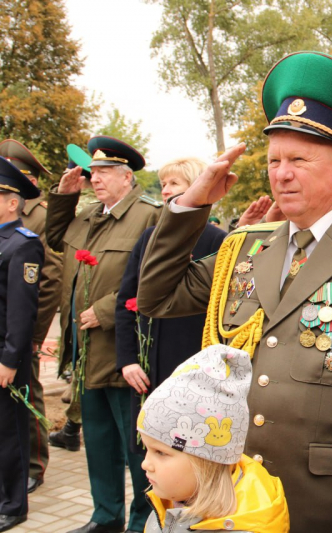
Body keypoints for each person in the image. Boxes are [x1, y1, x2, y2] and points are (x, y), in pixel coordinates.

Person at [137, 51, 332, 532]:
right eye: (274, 160)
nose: (281, 173)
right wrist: (191, 204)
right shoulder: (245, 246)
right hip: (238, 501)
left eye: (299, 160)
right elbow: (158, 296)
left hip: (331, 505)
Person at [46, 135, 162, 533]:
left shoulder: (148, 215)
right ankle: (105, 515)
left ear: (127, 177)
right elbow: (54, 238)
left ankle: (142, 520)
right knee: (97, 441)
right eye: (92, 172)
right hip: (86, 351)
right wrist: (64, 197)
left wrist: (107, 310)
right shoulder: (88, 215)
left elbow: (154, 277)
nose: (95, 179)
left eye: (105, 172)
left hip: (123, 351)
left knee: (136, 448)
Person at [116, 157, 227, 457]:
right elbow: (126, 299)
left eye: (174, 183)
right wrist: (128, 359)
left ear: (198, 187)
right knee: (146, 454)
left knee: (184, 454)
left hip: (191, 371)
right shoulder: (150, 237)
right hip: (146, 372)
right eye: (163, 184)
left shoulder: (219, 241)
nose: (165, 190)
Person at [137, 344, 289, 532]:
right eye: (148, 449)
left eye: (160, 452)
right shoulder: (164, 506)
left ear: (207, 462)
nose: (145, 464)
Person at [0, 139, 65, 493]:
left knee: (29, 395)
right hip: (12, 328)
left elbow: (50, 278)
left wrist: (34, 334)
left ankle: (34, 466)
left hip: (24, 328)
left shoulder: (38, 217)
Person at [0, 156, 44, 531]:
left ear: (12, 202)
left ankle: (13, 505)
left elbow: (21, 310)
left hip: (5, 355)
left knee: (9, 432)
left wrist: (10, 360)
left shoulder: (22, 245)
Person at [48, 144, 94, 455]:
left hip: (92, 305)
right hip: (77, 303)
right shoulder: (82, 204)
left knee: (85, 368)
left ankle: (72, 428)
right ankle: (72, 428)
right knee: (80, 366)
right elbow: (57, 238)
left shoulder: (90, 205)